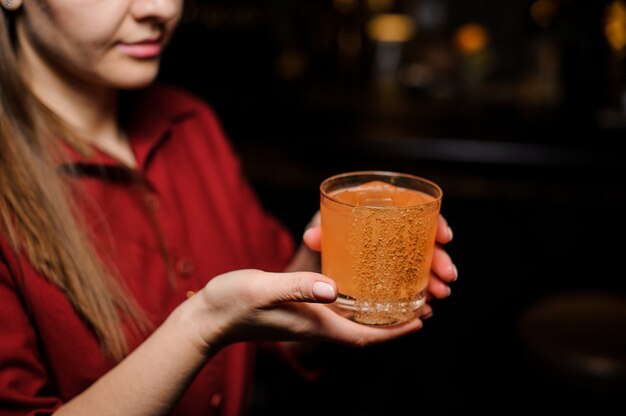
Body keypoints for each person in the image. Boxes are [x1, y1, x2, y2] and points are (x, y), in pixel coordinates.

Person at [0, 1, 458, 415]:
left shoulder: (192, 124)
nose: (159, 8)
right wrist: (203, 325)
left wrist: (320, 270)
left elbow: (272, 342)